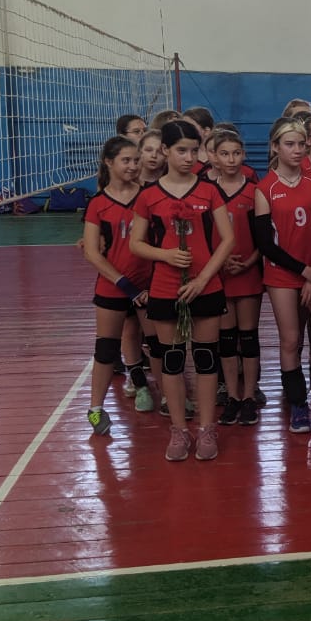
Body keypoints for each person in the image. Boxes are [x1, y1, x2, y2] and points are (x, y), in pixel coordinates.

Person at [130, 119, 235, 461]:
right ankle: (178, 429)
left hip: (206, 286)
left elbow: (228, 239)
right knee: (172, 360)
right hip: (165, 288)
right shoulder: (149, 196)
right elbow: (136, 243)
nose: (189, 157)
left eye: (194, 150)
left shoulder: (209, 190)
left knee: (206, 359)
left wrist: (203, 279)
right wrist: (165, 255)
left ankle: (206, 428)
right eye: (181, 151)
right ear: (165, 151)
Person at [253, 120, 311, 435]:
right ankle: (298, 403)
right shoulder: (265, 189)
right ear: (275, 147)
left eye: (301, 144)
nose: (297, 150)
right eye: (290, 144)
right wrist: (303, 271)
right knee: (291, 340)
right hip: (282, 275)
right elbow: (265, 244)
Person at [82, 137, 155, 434]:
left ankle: (171, 399)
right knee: (106, 349)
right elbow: (91, 252)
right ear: (109, 162)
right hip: (114, 286)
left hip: (148, 286)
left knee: (160, 347)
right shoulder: (98, 204)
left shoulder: (149, 196)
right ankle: (95, 410)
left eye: (136, 160)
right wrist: (126, 285)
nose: (133, 166)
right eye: (126, 160)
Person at [210, 129, 263, 427]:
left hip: (248, 272)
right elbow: (204, 237)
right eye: (224, 154)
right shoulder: (207, 191)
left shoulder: (254, 191)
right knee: (227, 340)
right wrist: (219, 262)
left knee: (249, 337)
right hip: (219, 274)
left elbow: (264, 238)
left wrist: (249, 262)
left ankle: (249, 396)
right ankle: (232, 395)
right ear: (214, 158)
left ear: (243, 155)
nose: (231, 159)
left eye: (236, 153)